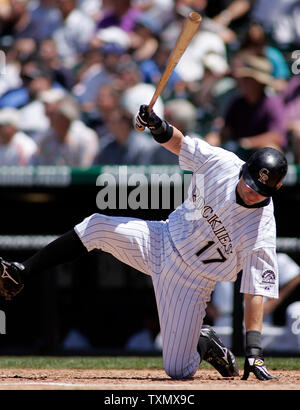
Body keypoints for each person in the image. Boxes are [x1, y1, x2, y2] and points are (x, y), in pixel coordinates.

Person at [0, 104, 288, 381]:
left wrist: (254, 352)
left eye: (259, 191)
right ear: (245, 170)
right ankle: (22, 272)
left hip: (192, 281)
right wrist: (157, 125)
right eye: (249, 183)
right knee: (97, 226)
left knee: (178, 369)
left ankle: (204, 341)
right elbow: (180, 144)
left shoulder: (262, 227)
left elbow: (254, 291)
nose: (251, 192)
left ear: (273, 191)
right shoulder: (224, 163)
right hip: (161, 239)